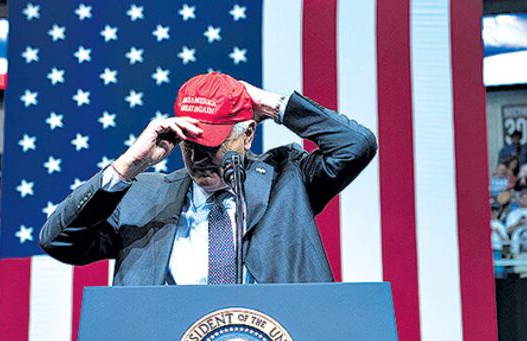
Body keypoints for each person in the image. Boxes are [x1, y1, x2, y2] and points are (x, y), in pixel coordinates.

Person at [41, 72, 377, 285]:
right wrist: (128, 166)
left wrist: (272, 104)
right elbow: (59, 241)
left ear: (247, 136)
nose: (198, 157)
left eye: (212, 144)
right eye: (189, 143)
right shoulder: (144, 194)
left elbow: (355, 145)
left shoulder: (286, 179)